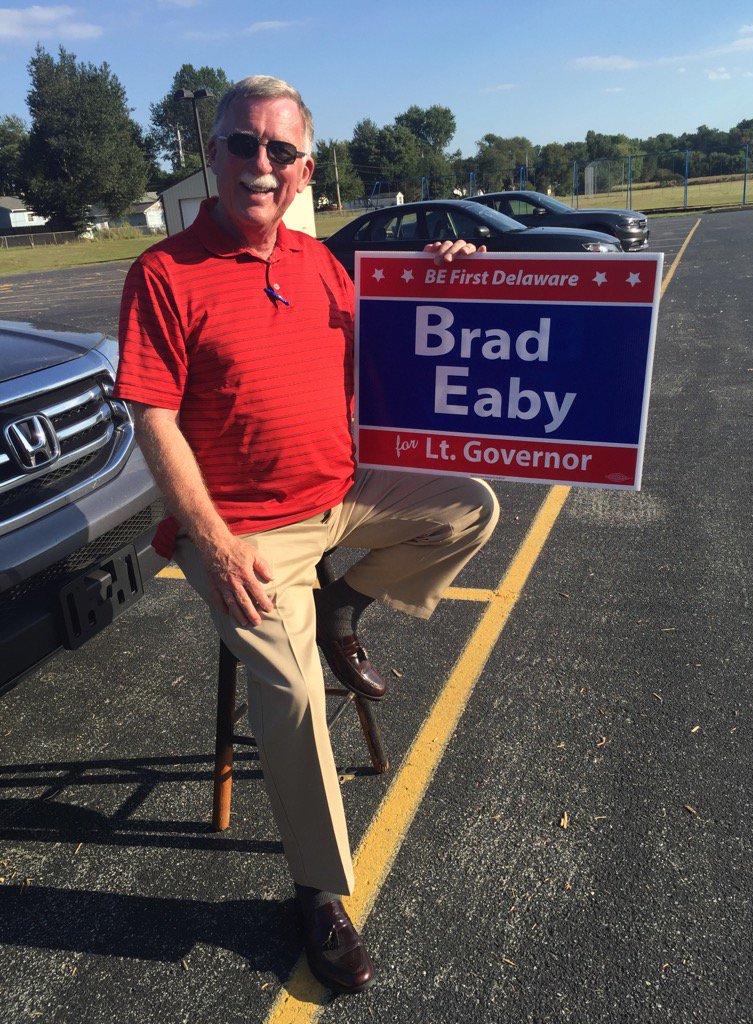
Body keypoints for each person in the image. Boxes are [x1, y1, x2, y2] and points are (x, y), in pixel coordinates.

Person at [115, 75, 498, 994]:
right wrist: (208, 539)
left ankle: (344, 606)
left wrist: (450, 276)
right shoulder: (163, 275)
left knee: (472, 507)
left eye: (279, 151)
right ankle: (322, 892)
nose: (260, 164)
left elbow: (405, 353)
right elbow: (153, 419)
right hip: (244, 530)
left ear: (305, 170)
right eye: (241, 145)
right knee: (287, 693)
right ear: (209, 156)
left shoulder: (323, 264)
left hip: (342, 494)